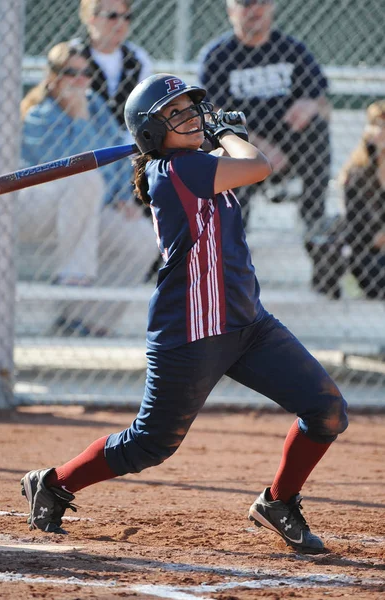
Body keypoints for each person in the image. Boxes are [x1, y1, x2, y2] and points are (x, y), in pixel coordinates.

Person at [20, 73, 348, 554]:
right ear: (152, 133)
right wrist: (227, 133)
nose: (192, 116)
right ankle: (53, 482)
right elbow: (255, 165)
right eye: (175, 113)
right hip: (191, 331)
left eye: (193, 108)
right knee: (150, 444)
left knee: (326, 410)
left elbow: (247, 164)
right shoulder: (174, 170)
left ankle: (279, 501)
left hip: (247, 324)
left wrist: (218, 136)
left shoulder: (194, 164)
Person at [19, 41, 157, 335]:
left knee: (141, 238)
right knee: (85, 178)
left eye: (86, 73)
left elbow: (117, 158)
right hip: (42, 210)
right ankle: (74, 277)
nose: (80, 81)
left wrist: (123, 196)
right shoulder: (38, 117)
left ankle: (87, 322)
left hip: (91, 208)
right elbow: (75, 166)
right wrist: (79, 117)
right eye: (71, 73)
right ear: (53, 77)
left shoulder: (96, 108)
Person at [198, 0, 331, 233]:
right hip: (244, 142)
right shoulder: (217, 56)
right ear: (231, 11)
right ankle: (234, 228)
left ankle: (314, 220)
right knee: (225, 143)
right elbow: (211, 115)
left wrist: (311, 105)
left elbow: (324, 105)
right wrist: (259, 148)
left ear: (272, 7)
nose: (254, 9)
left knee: (317, 127)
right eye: (245, 3)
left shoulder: (292, 50)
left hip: (290, 143)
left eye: (262, 2)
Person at [72, 0, 153, 132]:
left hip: (126, 137)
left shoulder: (138, 58)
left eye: (127, 17)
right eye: (112, 16)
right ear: (91, 18)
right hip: (81, 134)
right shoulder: (73, 55)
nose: (121, 23)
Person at [338, 100, 385, 299]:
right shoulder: (357, 172)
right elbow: (356, 225)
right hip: (370, 252)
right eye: (375, 124)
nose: (379, 131)